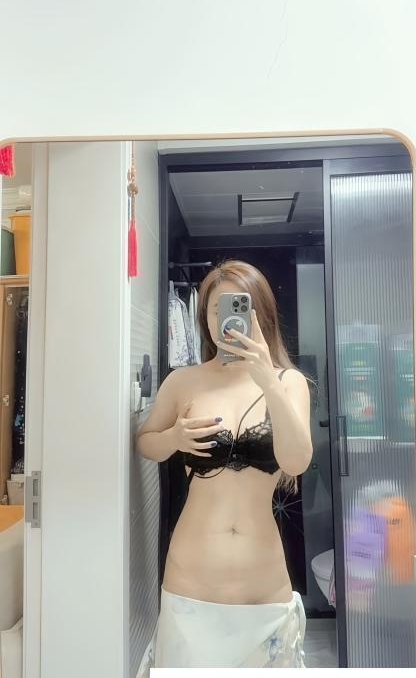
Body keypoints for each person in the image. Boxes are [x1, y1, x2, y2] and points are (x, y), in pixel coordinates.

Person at [135, 259, 313, 669]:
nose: (224, 320)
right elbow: (145, 443)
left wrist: (267, 381)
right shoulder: (184, 381)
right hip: (191, 586)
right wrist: (175, 438)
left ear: (259, 315)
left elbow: (297, 461)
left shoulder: (288, 383)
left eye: (236, 307)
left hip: (263, 593)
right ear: (205, 318)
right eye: (216, 309)